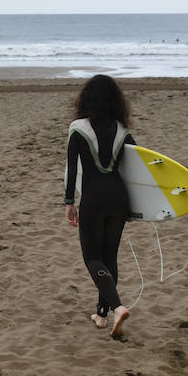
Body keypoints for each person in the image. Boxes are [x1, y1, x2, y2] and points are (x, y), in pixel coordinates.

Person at [64, 74, 135, 338]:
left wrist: (69, 202)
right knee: (110, 257)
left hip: (93, 199)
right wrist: (134, 206)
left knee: (92, 258)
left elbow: (73, 168)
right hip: (119, 199)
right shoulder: (123, 131)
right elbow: (137, 170)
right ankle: (101, 314)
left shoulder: (78, 129)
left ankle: (116, 307)